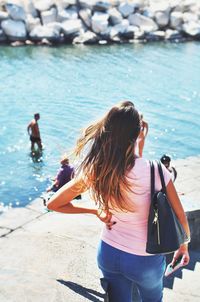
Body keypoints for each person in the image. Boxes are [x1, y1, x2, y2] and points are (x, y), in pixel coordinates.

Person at [47, 101, 190, 302]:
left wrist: (94, 211)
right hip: (145, 260)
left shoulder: (99, 169)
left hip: (109, 254)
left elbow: (53, 203)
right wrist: (183, 245)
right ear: (139, 132)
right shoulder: (157, 171)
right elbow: (180, 215)